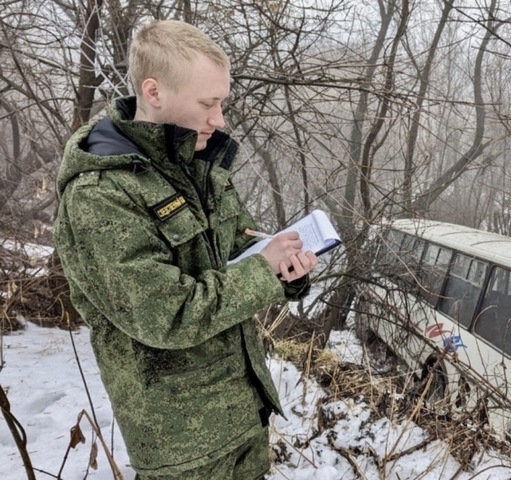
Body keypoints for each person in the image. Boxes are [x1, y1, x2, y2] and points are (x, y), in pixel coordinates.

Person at [53, 19, 318, 480]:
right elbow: (166, 314)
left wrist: (285, 268)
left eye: (222, 102)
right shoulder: (100, 194)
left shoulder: (198, 164)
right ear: (153, 92)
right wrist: (261, 269)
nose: (219, 119)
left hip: (242, 415)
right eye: (208, 103)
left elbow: (239, 246)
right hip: (182, 444)